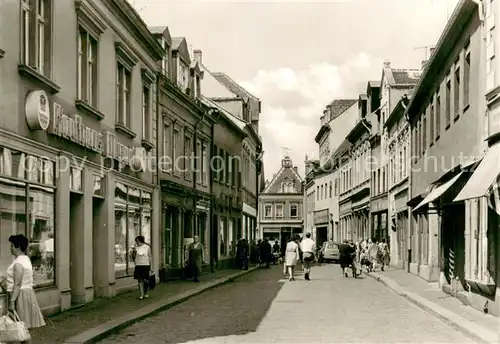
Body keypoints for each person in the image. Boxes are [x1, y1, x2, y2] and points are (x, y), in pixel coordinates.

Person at [1, 235, 45, 343]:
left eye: (12, 246)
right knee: (22, 329)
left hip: (19, 295)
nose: (10, 248)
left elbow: (17, 284)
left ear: (18, 247)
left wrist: (12, 302)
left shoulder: (18, 263)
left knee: (20, 328)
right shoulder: (25, 260)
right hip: (25, 294)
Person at [132, 235, 153, 299]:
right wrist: (133, 251)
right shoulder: (136, 248)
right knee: (140, 281)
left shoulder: (147, 247)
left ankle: (146, 292)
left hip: (146, 265)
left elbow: (150, 257)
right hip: (138, 265)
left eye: (136, 241)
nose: (136, 243)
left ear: (138, 240)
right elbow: (133, 257)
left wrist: (150, 266)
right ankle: (141, 295)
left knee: (146, 280)